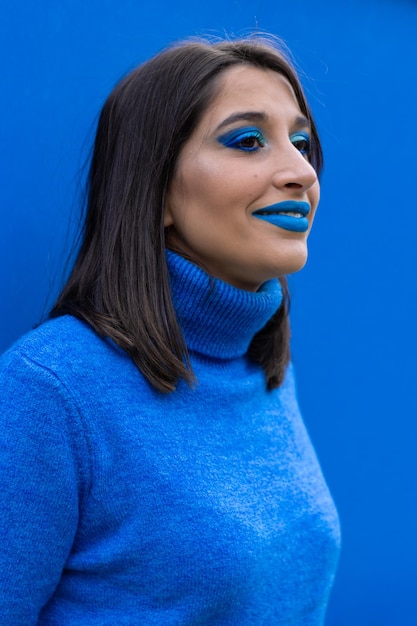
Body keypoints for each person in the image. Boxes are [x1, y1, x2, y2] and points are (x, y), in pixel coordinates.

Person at [0, 36, 340, 624]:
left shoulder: (263, 371)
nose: (299, 171)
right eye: (248, 140)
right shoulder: (51, 389)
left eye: (302, 142)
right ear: (154, 188)